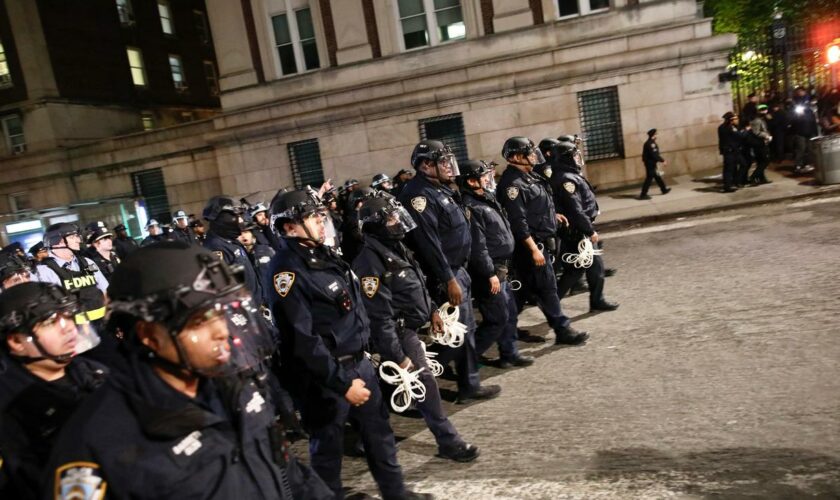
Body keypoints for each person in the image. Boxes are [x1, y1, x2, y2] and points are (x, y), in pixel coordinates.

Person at [42, 242, 331, 499]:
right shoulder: (97, 443)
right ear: (150, 335)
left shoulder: (237, 384)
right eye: (200, 321)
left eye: (222, 313)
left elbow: (286, 471)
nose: (222, 331)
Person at [266, 189, 432, 500]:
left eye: (319, 215)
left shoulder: (325, 255)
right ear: (289, 227)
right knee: (327, 451)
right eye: (311, 216)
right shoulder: (285, 270)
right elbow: (302, 340)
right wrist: (343, 385)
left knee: (380, 437)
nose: (320, 220)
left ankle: (395, 493)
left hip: (359, 363)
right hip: (326, 379)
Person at [352, 195, 480, 462]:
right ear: (375, 226)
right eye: (390, 219)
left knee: (382, 392)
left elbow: (417, 283)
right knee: (425, 383)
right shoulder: (369, 263)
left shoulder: (397, 247)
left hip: (409, 325)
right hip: (396, 332)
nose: (397, 222)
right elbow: (379, 317)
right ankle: (448, 441)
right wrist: (398, 356)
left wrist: (432, 309)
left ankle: (369, 438)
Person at [398, 139, 500, 403]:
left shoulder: (439, 189)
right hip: (445, 275)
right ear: (425, 165)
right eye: (441, 161)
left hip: (457, 270)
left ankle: (467, 383)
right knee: (455, 335)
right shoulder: (418, 195)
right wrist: (448, 278)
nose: (448, 166)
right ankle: (412, 382)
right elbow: (428, 244)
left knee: (460, 333)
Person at [0, 282, 105, 500]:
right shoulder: (11, 408)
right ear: (17, 341)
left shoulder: (92, 371)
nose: (67, 327)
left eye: (67, 316)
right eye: (50, 322)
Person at [496, 137, 589, 345]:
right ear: (516, 157)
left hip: (541, 242)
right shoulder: (513, 184)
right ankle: (562, 330)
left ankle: (505, 334)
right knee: (547, 290)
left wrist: (552, 216)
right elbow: (517, 221)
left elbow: (536, 207)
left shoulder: (528, 177)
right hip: (531, 246)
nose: (532, 157)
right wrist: (533, 249)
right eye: (528, 153)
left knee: (521, 295)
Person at [458, 160, 533, 368]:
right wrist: (490, 273)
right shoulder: (470, 206)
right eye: (483, 176)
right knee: (496, 319)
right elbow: (477, 247)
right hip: (489, 272)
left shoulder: (486, 198)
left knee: (508, 314)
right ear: (472, 181)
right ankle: (468, 364)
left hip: (501, 268)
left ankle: (509, 353)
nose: (488, 179)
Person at [550, 141, 619, 313]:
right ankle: (594, 301)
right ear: (567, 158)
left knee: (577, 269)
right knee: (590, 267)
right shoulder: (566, 179)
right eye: (574, 155)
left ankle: (555, 304)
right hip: (578, 231)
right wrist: (589, 230)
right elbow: (575, 209)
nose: (577, 158)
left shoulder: (567, 174)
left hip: (577, 229)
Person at [202, 196, 263, 304]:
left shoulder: (230, 240)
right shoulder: (215, 247)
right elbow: (224, 291)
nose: (240, 220)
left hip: (256, 305)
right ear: (223, 218)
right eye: (236, 215)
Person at [791, 87, 818, 174]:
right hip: (800, 130)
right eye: (798, 92)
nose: (800, 93)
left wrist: (815, 130)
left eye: (801, 91)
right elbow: (793, 118)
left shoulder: (810, 102)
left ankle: (809, 164)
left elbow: (814, 118)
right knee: (801, 148)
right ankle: (798, 165)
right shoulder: (795, 102)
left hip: (810, 129)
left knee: (810, 148)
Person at [639, 129, 671, 199]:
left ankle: (664, 189)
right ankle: (643, 194)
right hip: (650, 164)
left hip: (651, 163)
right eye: (656, 134)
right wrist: (663, 160)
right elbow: (654, 155)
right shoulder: (650, 144)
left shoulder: (650, 142)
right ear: (653, 135)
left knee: (657, 177)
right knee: (649, 178)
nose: (657, 135)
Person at [717, 112, 746, 193]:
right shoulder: (730, 128)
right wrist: (745, 130)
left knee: (740, 165)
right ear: (731, 120)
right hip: (731, 151)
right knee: (729, 169)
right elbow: (740, 136)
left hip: (731, 150)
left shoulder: (722, 127)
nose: (737, 120)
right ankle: (728, 186)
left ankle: (735, 182)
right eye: (735, 119)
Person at [748, 104, 773, 185]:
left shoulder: (760, 119)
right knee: (765, 161)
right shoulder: (757, 120)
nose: (765, 112)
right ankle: (753, 176)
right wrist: (766, 136)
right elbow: (756, 132)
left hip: (760, 142)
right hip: (759, 143)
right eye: (763, 110)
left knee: (760, 161)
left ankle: (762, 178)